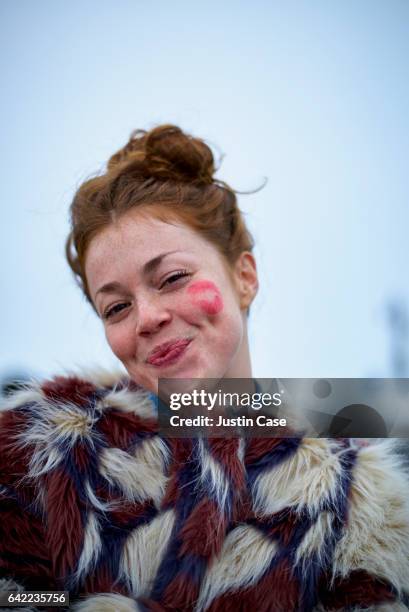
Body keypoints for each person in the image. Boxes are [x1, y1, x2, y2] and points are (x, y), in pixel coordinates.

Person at [0, 125, 408, 612]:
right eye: (116, 308)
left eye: (172, 278)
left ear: (244, 277)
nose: (147, 318)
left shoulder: (356, 502)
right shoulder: (42, 454)